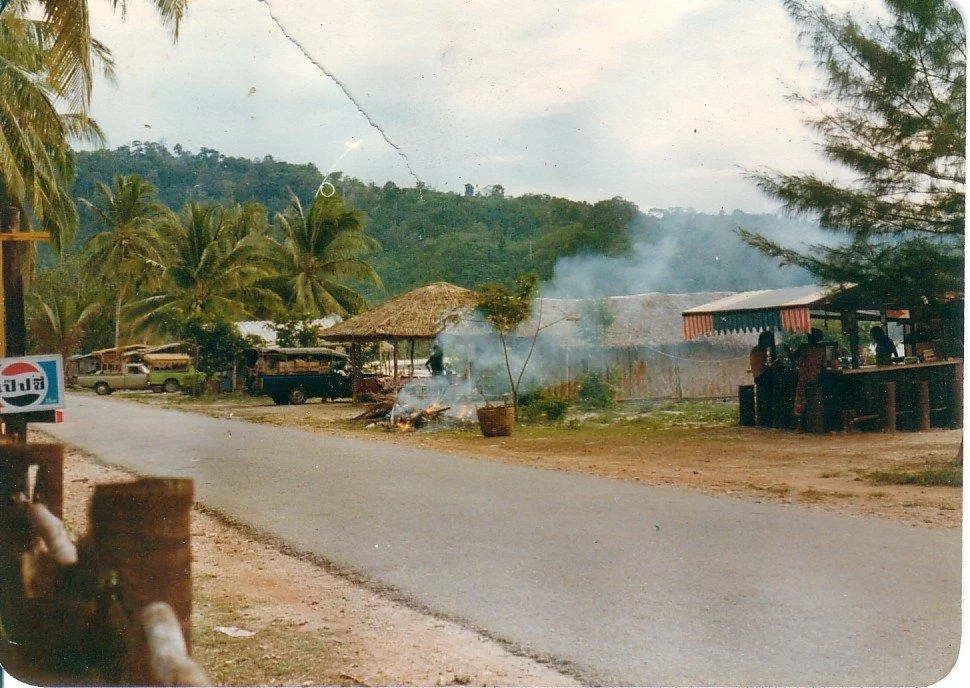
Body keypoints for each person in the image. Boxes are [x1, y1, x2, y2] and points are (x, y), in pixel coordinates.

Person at [793, 328, 826, 428]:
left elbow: (794, 358)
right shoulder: (821, 350)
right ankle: (814, 426)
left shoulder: (804, 348)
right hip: (816, 378)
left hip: (804, 378)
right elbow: (824, 365)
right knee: (814, 403)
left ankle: (799, 426)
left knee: (801, 401)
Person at [750, 330, 776, 426]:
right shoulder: (760, 350)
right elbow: (762, 366)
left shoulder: (756, 349)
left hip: (758, 376)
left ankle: (764, 419)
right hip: (762, 376)